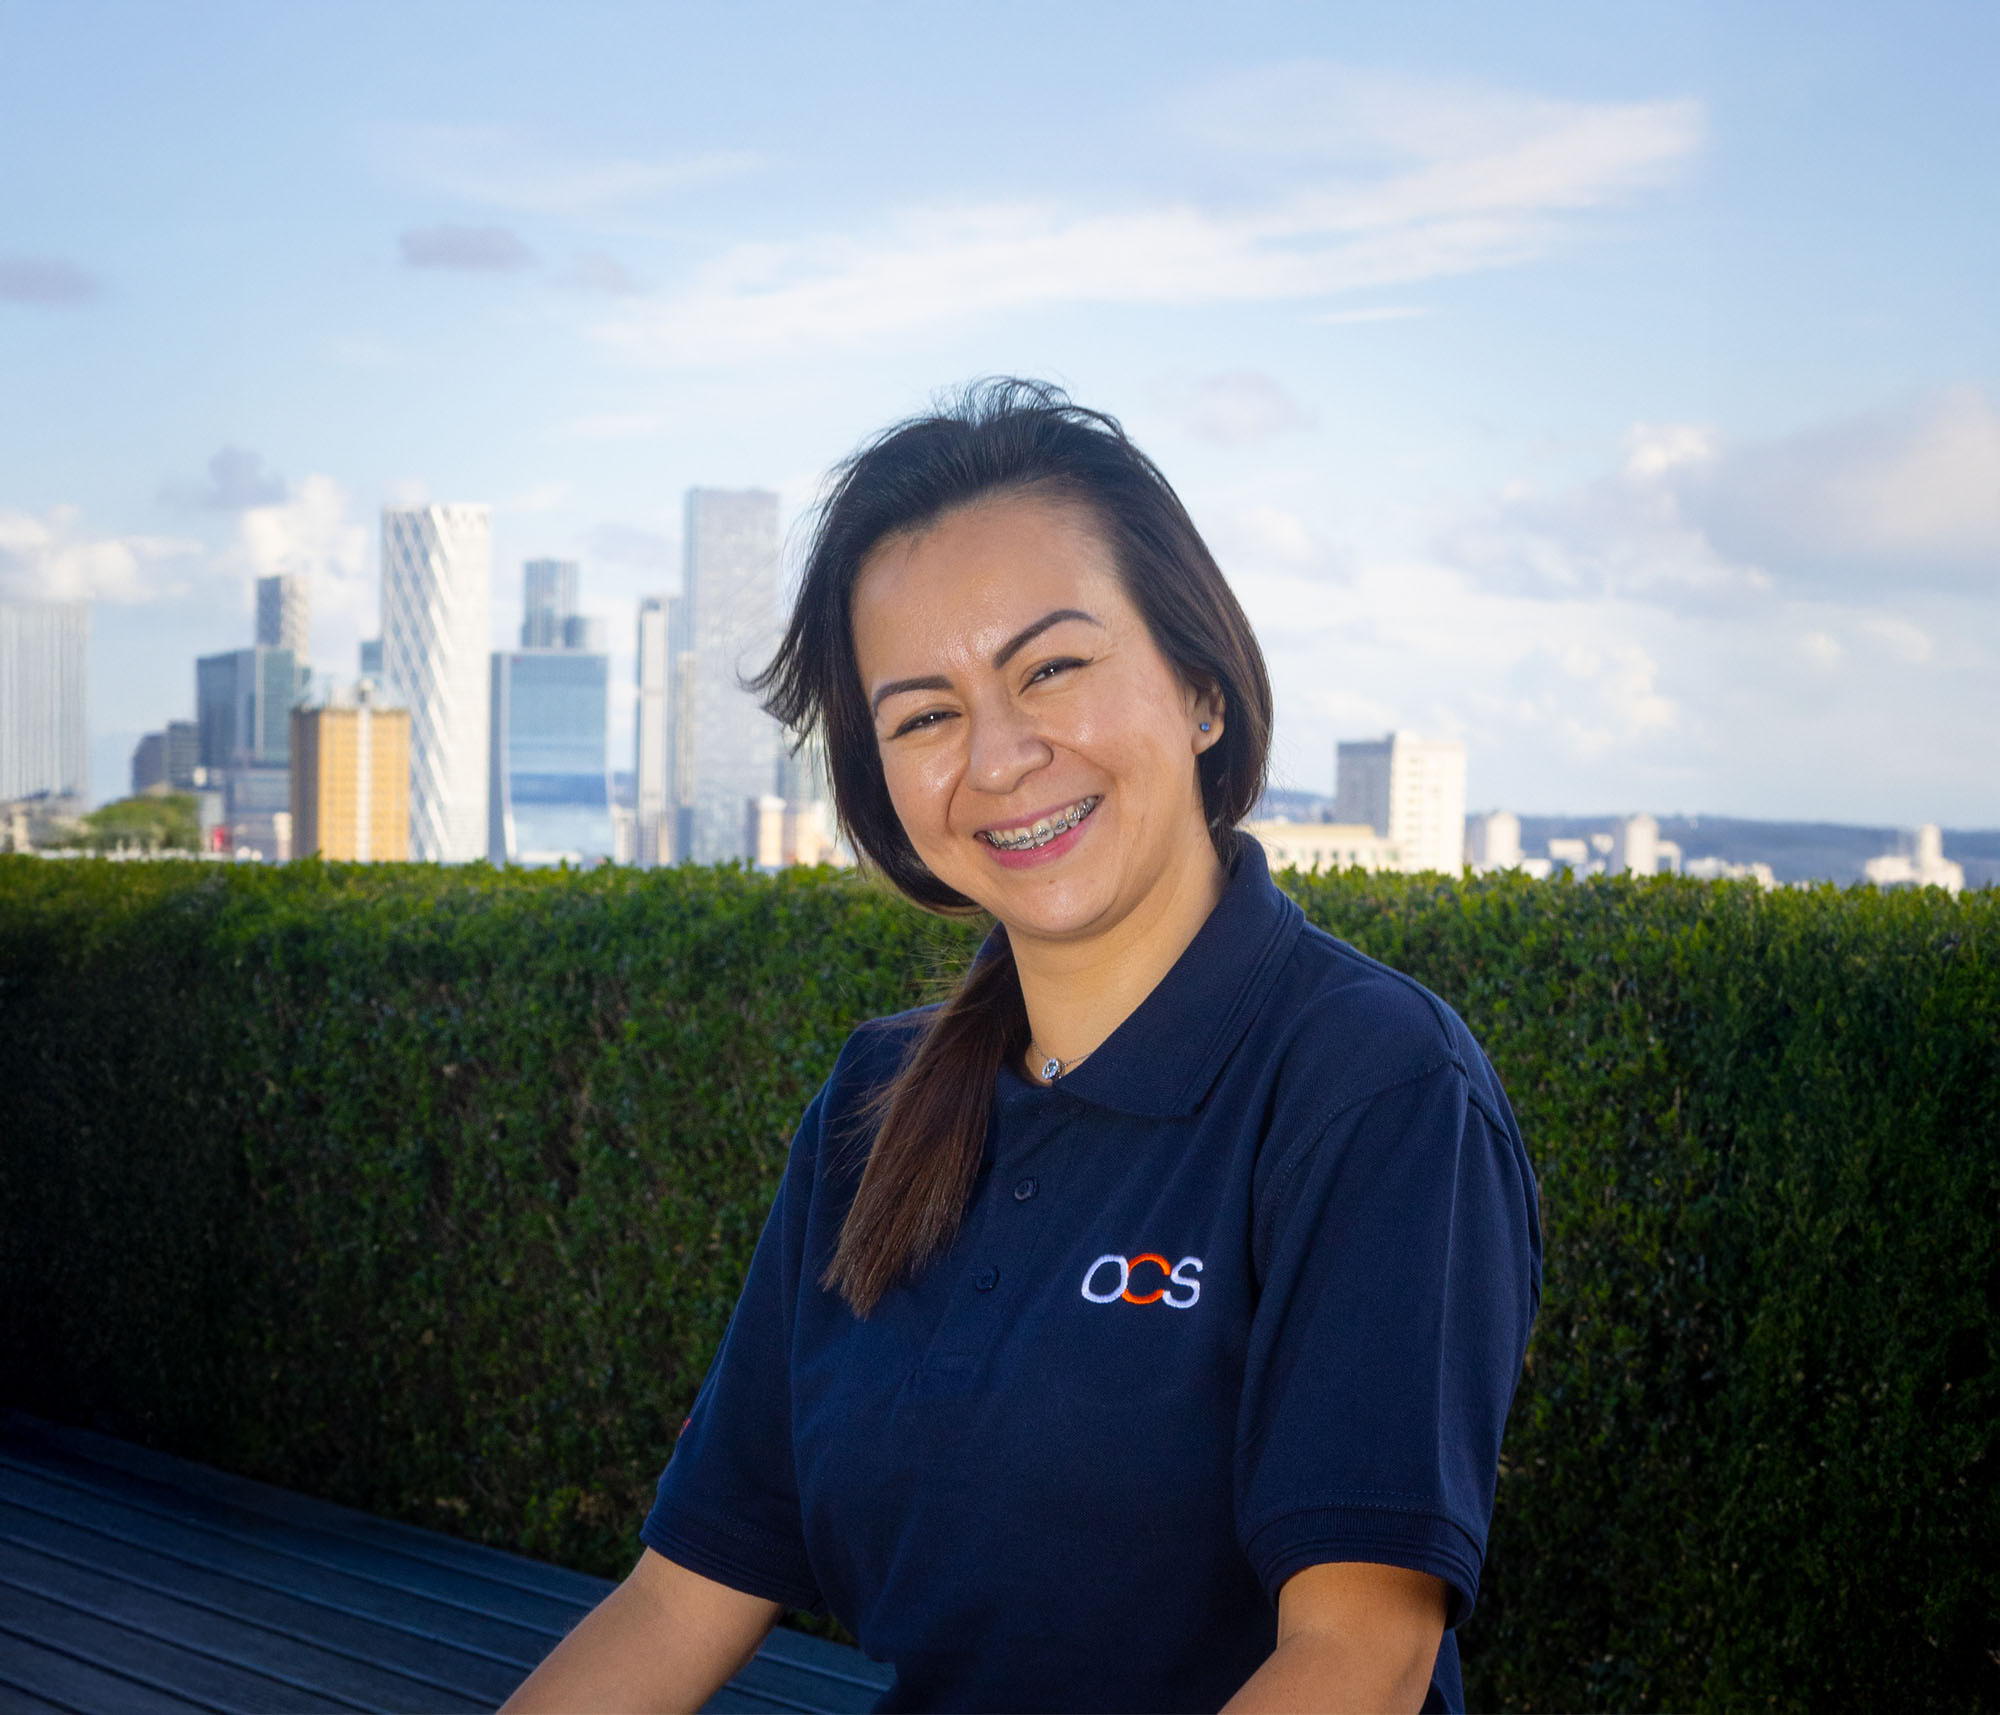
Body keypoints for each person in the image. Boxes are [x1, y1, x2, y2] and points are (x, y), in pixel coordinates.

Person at [499, 378, 1543, 1715]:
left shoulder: (1374, 1085)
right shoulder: (878, 1102)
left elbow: (1357, 1657)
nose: (998, 756)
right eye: (923, 714)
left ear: (1202, 689)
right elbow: (676, 1599)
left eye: (1053, 667)